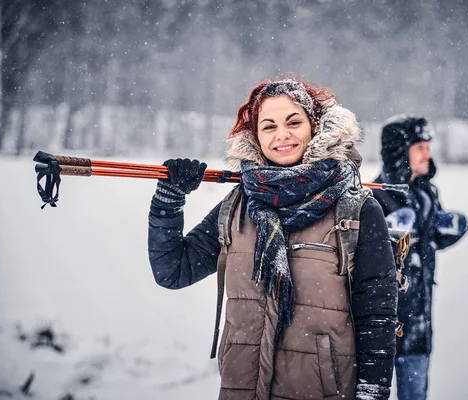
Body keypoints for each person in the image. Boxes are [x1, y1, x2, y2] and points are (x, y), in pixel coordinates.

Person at [147, 77, 400, 399]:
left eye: (293, 122)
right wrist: (169, 201)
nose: (282, 135)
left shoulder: (357, 209)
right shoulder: (238, 205)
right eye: (268, 126)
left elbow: (377, 314)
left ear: (316, 127)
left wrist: (373, 391)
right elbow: (173, 271)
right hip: (243, 388)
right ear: (255, 137)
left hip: (324, 391)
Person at [372, 114, 468, 400]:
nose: (428, 154)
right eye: (420, 147)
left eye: (428, 147)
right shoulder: (376, 196)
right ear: (401, 152)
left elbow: (429, 242)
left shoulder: (427, 194)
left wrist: (447, 229)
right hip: (380, 329)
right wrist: (389, 236)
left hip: (419, 325)